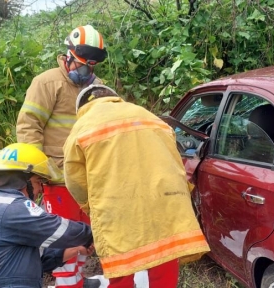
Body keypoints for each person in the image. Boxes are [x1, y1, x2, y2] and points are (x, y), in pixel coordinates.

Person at [63, 84, 211, 287]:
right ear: (115, 98)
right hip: (165, 198)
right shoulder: (148, 116)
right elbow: (176, 160)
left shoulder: (83, 125)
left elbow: (75, 180)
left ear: (81, 107)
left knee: (122, 265)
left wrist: (89, 207)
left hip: (117, 206)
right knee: (164, 254)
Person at [16, 24, 107, 286]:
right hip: (58, 180)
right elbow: (29, 126)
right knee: (64, 238)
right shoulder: (47, 83)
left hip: (89, 181)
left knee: (86, 236)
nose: (86, 71)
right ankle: (69, 283)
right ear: (68, 56)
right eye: (82, 64)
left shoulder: (96, 88)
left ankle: (78, 281)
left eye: (92, 66)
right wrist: (34, 173)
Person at [0, 143, 95, 288]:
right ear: (23, 180)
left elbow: (38, 260)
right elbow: (61, 230)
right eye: (38, 182)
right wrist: (97, 233)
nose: (40, 190)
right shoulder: (11, 207)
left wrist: (76, 249)